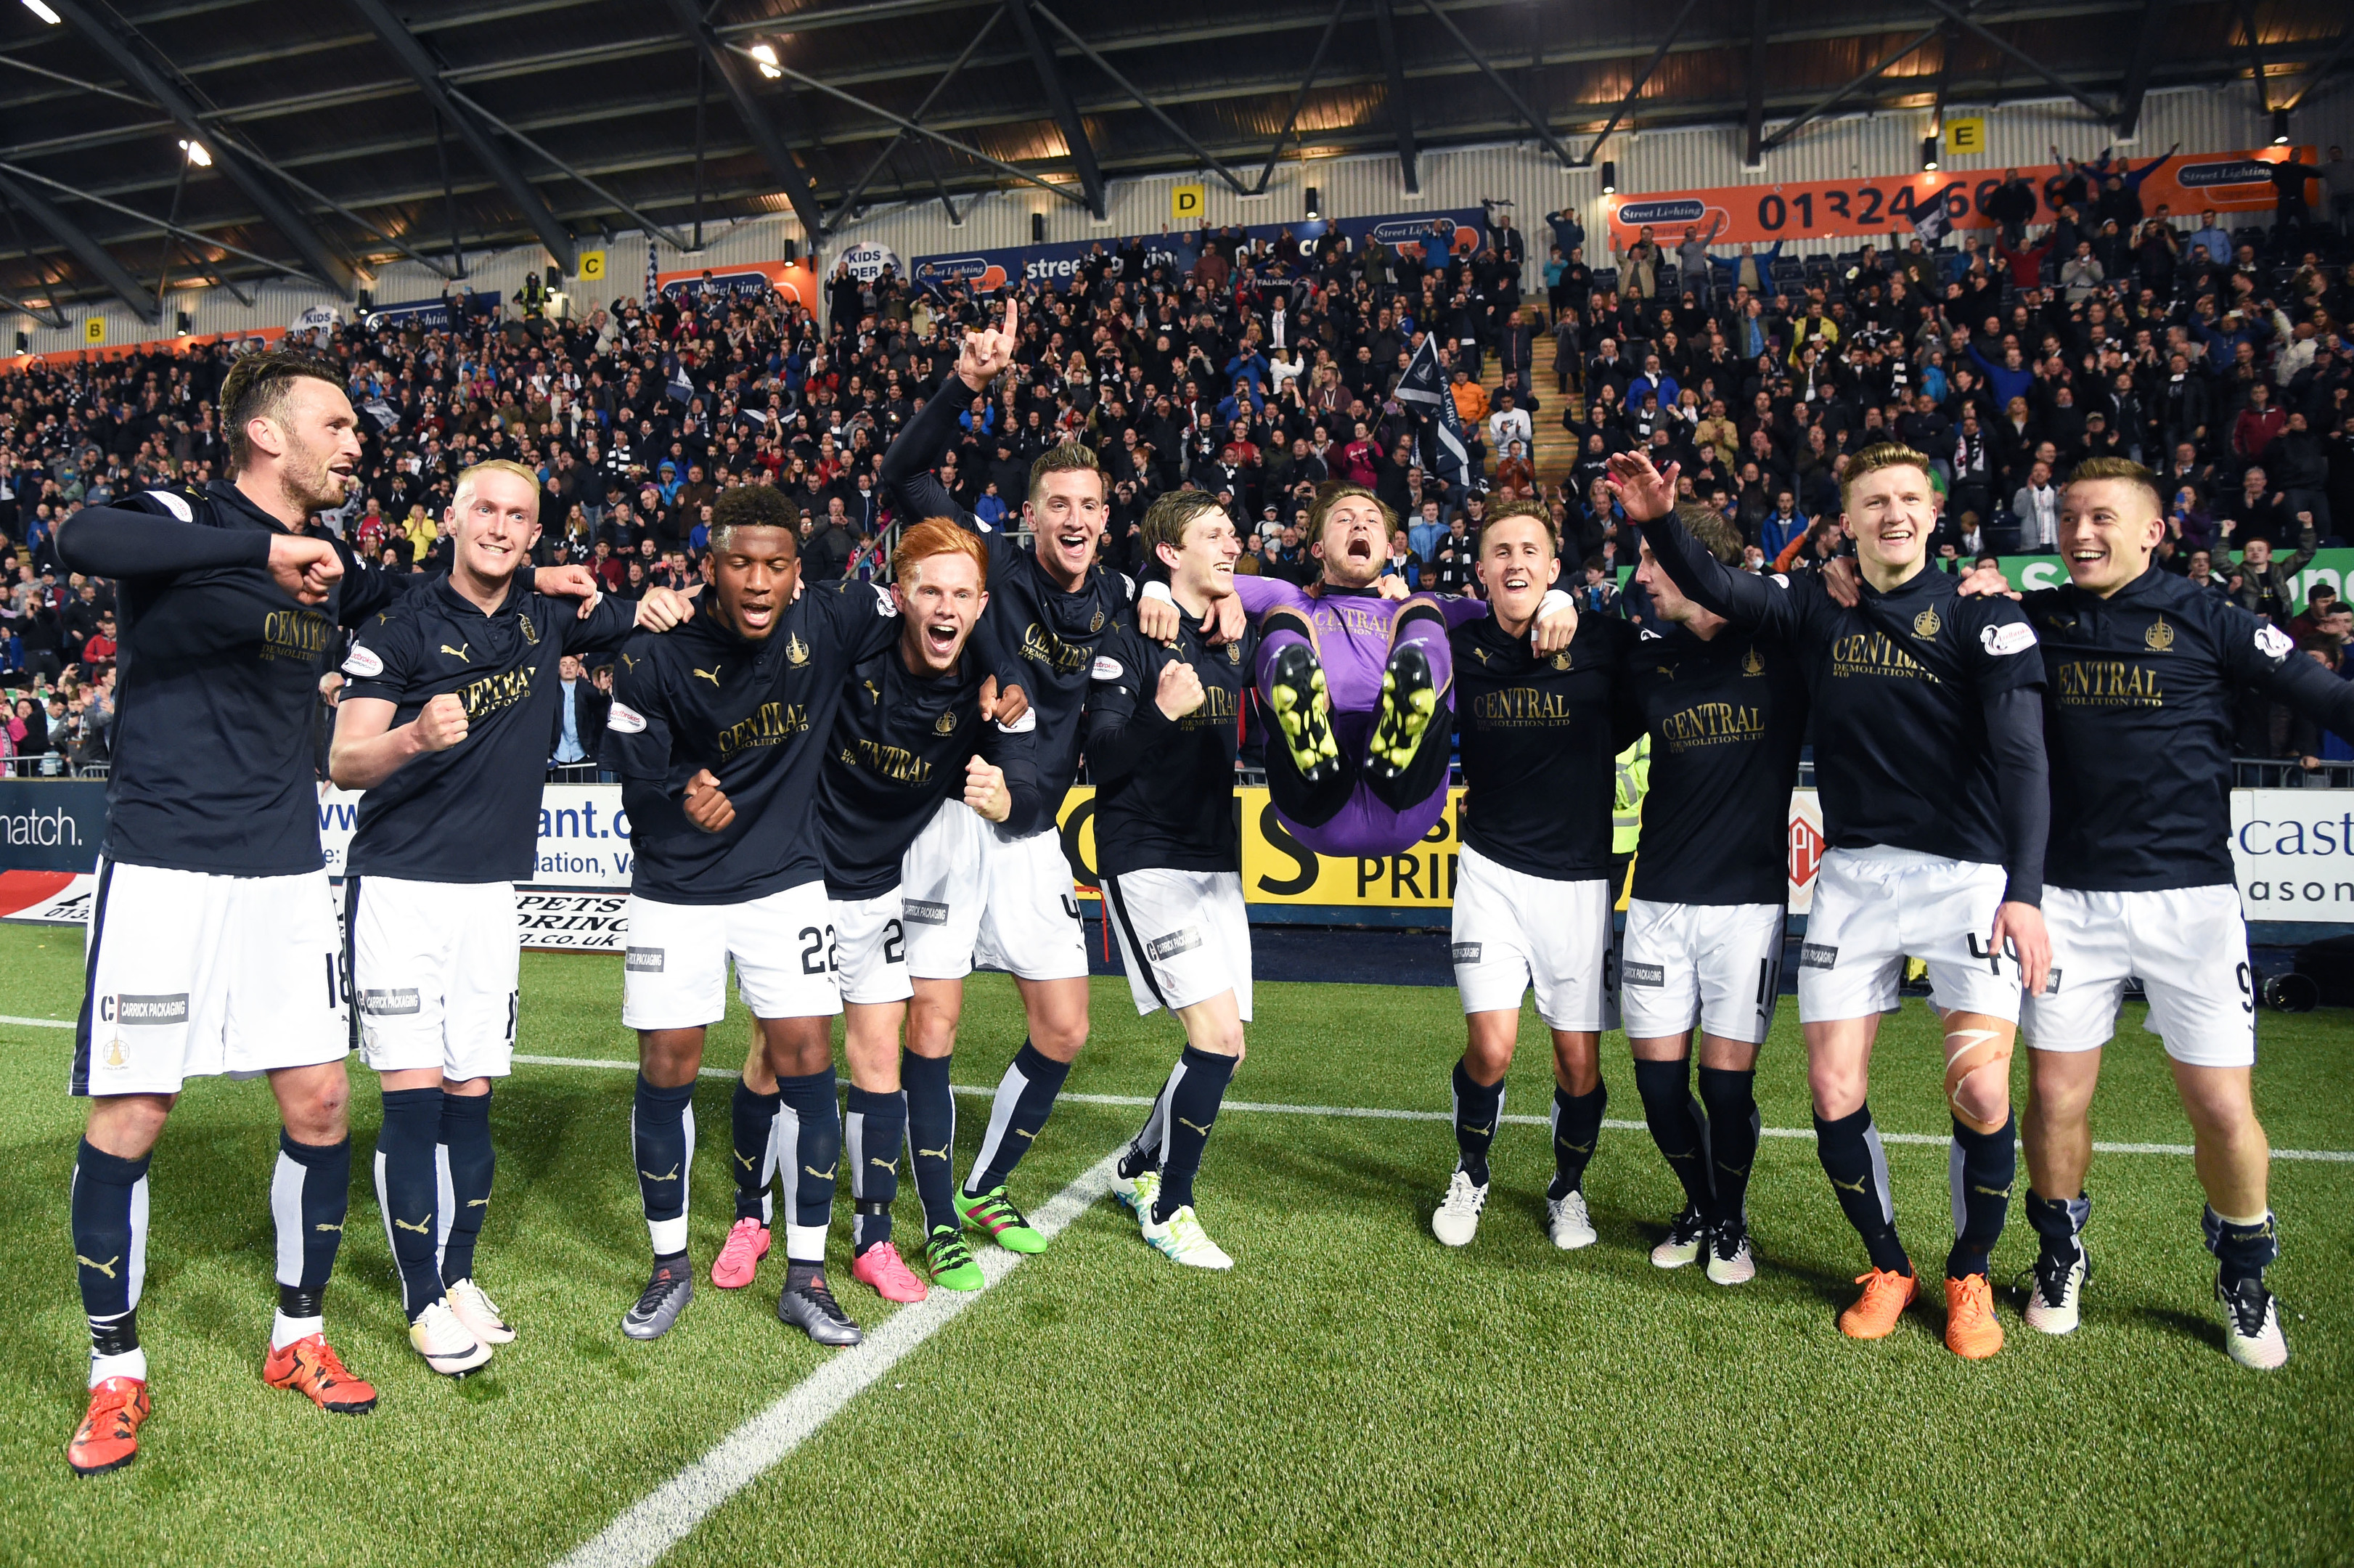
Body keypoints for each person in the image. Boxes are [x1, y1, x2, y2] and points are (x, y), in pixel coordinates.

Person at [50, 349, 596, 1475]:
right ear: (266, 434)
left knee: (320, 1105)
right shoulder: (180, 513)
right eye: (336, 424)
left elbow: (414, 602)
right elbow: (82, 541)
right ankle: (117, 1371)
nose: (357, 440)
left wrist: (524, 580)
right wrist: (262, 548)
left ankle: (297, 1335)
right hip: (164, 866)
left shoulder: (339, 563)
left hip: (288, 871)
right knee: (133, 1118)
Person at [1611, 444, 2051, 1360]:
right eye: (1872, 502)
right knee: (1830, 1086)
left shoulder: (1984, 613)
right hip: (1853, 876)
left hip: (1965, 874)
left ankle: (1969, 1271)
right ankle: (1887, 1265)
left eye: (1907, 499)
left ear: (1934, 512)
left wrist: (2026, 891)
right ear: (1846, 521)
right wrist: (1657, 519)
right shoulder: (1815, 604)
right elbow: (1715, 585)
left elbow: (2021, 756)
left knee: (1977, 1088)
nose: (1892, 514)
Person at [1953, 459, 2354, 1369]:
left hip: (2194, 905)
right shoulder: (2034, 624)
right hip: (2067, 902)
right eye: (2070, 521)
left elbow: (2325, 696)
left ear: (2152, 533)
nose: (2082, 535)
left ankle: (2246, 1273)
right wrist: (1976, 599)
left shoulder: (2211, 619)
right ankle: (2059, 1257)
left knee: (2220, 1105)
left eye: (2103, 519)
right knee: (2055, 1095)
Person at [326, 460, 692, 1375]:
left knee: (472, 1099)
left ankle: (454, 1278)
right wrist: (412, 736)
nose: (497, 525)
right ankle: (419, 1301)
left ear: (535, 537)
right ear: (451, 519)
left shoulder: (549, 616)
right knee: (410, 1108)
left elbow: (641, 615)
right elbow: (343, 758)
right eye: (483, 509)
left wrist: (656, 606)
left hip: (494, 897)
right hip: (401, 893)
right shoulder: (400, 626)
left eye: (516, 516)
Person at [602, 484, 905, 1348]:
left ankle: (806, 1276)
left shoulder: (828, 625)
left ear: (797, 569)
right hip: (675, 889)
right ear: (712, 565)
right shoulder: (655, 651)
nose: (762, 581)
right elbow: (627, 758)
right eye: (742, 563)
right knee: (668, 1065)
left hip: (783, 882)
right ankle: (668, 1268)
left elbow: (936, 592)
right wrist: (676, 787)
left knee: (808, 1060)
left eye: (778, 564)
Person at [711, 519, 1039, 1304]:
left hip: (877, 889)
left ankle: (876, 1238)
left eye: (962, 594)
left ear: (981, 605)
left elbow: (1033, 767)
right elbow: (763, 604)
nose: (945, 606)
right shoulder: (852, 643)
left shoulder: (985, 693)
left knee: (879, 1064)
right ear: (901, 597)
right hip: (795, 878)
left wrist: (1011, 794)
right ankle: (751, 1217)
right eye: (930, 589)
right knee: (776, 1050)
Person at [878, 298, 1132, 1275]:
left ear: (1105, 519)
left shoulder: (1117, 603)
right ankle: (938, 1215)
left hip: (1030, 835)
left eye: (1089, 505)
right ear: (1029, 514)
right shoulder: (984, 567)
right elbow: (902, 474)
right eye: (1056, 503)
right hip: (949, 825)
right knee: (931, 1023)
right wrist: (968, 384)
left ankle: (984, 1186)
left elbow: (1100, 734)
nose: (1073, 518)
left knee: (1063, 1027)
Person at [1427, 504, 1640, 1254]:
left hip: (1579, 882)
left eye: (1531, 551)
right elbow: (1406, 627)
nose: (1515, 561)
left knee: (1579, 1061)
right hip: (1489, 872)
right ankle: (1472, 1170)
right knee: (1489, 1048)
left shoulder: (1604, 642)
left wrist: (1574, 610)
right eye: (1500, 551)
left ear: (1555, 568)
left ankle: (1567, 1189)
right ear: (1481, 570)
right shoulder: (1460, 645)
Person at [1616, 507, 1810, 1286]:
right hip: (1658, 899)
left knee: (1726, 1090)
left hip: (1747, 904)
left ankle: (1731, 1222)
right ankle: (1702, 1205)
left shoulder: (1781, 646)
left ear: (1696, 563)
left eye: (1655, 561)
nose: (1641, 577)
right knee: (1660, 1087)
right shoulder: (1648, 657)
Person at [1182, 483, 1573, 861]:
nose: (1359, 525)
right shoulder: (1293, 598)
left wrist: (1557, 600)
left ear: (1388, 549)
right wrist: (1221, 592)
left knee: (1422, 610)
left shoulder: (1413, 603)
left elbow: (1515, 601)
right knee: (1285, 618)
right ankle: (1319, 743)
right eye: (1344, 520)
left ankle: (1395, 730)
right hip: (1318, 802)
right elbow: (1174, 566)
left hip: (1403, 798)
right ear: (1317, 547)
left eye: (1371, 520)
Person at [1095, 492, 1261, 1267]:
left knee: (1229, 1051)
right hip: (1147, 855)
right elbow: (1100, 760)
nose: (1231, 544)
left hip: (1214, 860)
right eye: (1212, 535)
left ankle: (1134, 1166)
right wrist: (1160, 713)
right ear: (1167, 553)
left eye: (1233, 534)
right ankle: (1171, 1204)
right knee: (1216, 1037)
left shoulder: (1233, 634)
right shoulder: (1127, 636)